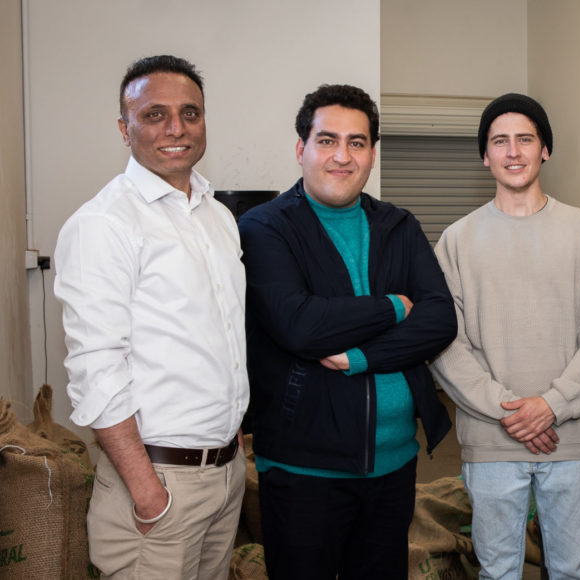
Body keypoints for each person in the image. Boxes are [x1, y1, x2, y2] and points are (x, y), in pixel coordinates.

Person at [238, 84, 456, 579]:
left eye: (357, 143)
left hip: (394, 464)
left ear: (372, 154)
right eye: (327, 140)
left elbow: (441, 318)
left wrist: (359, 357)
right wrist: (393, 306)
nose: (342, 156)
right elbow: (300, 326)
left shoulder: (399, 225)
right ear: (301, 148)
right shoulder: (265, 227)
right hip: (303, 470)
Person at [54, 55, 247, 579]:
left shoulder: (218, 216)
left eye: (190, 112)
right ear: (125, 128)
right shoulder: (103, 224)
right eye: (154, 114)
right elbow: (97, 367)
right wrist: (146, 491)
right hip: (159, 482)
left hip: (225, 474)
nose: (176, 128)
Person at [431, 93, 580, 580]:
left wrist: (552, 405)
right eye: (500, 141)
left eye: (525, 139)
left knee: (572, 570)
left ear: (545, 150)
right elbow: (448, 345)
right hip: (492, 443)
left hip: (572, 442)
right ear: (485, 155)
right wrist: (512, 411)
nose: (513, 152)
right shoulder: (456, 240)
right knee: (497, 573)